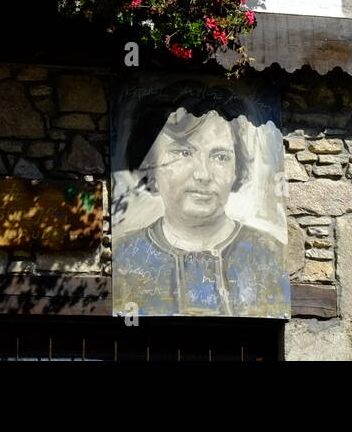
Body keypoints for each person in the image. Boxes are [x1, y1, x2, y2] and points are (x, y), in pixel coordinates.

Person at [112, 85, 288, 318]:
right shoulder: (125, 256)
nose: (203, 175)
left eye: (220, 156)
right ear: (150, 166)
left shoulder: (269, 255)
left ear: (237, 170)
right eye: (183, 153)